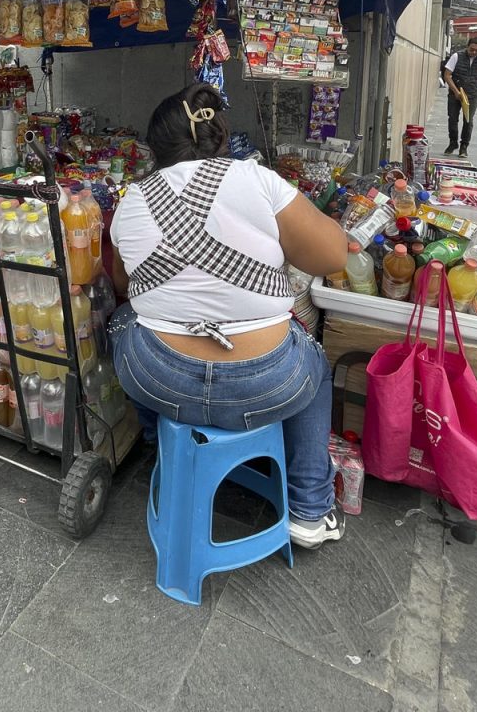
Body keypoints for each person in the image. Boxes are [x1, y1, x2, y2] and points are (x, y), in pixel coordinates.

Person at [107, 84, 348, 549]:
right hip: (267, 384)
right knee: (315, 367)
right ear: (220, 136)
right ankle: (310, 511)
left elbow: (124, 286)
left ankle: (165, 450)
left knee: (120, 322)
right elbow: (333, 255)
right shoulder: (257, 180)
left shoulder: (131, 200)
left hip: (159, 380)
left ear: (154, 148)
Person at [440, 38, 477, 156]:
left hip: (472, 95)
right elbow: (447, 75)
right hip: (455, 93)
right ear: (467, 47)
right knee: (452, 118)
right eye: (472, 49)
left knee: (468, 120)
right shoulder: (456, 56)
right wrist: (455, 91)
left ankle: (464, 146)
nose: (474, 52)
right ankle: (453, 142)